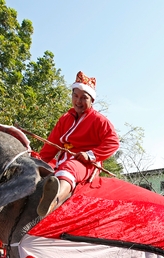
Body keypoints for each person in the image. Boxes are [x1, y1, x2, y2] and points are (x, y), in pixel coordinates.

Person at [36, 71, 120, 217]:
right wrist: (37, 162)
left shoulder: (99, 120)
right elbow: (51, 145)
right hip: (63, 159)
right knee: (38, 167)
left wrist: (90, 155)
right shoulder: (65, 119)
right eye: (75, 96)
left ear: (91, 100)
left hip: (86, 164)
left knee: (69, 167)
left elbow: (113, 142)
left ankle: (54, 200)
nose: (78, 101)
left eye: (83, 98)